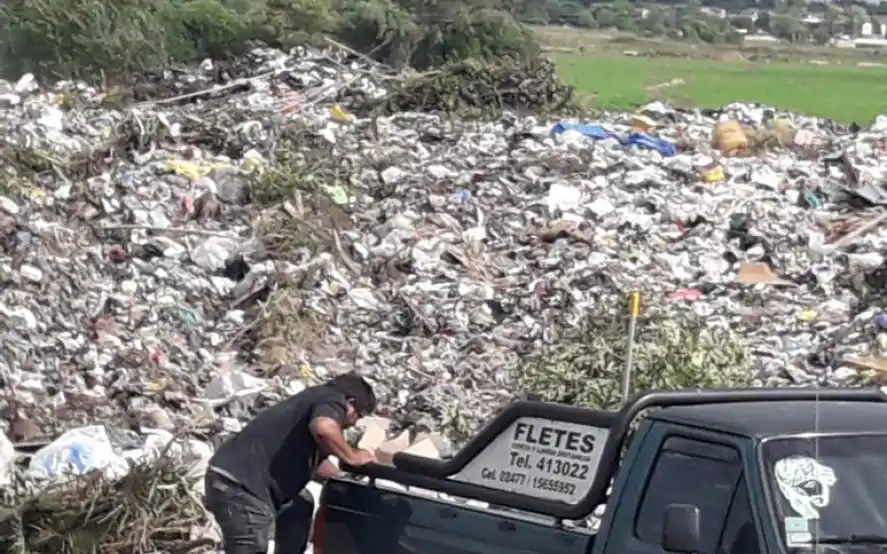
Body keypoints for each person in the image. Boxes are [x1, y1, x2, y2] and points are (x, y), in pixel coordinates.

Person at [204, 372, 378, 554]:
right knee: (251, 546)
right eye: (359, 416)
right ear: (350, 404)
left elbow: (314, 464)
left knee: (300, 504)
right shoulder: (333, 399)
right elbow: (323, 428)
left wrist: (342, 478)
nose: (353, 423)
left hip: (232, 478)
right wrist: (352, 456)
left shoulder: (311, 400)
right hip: (241, 487)